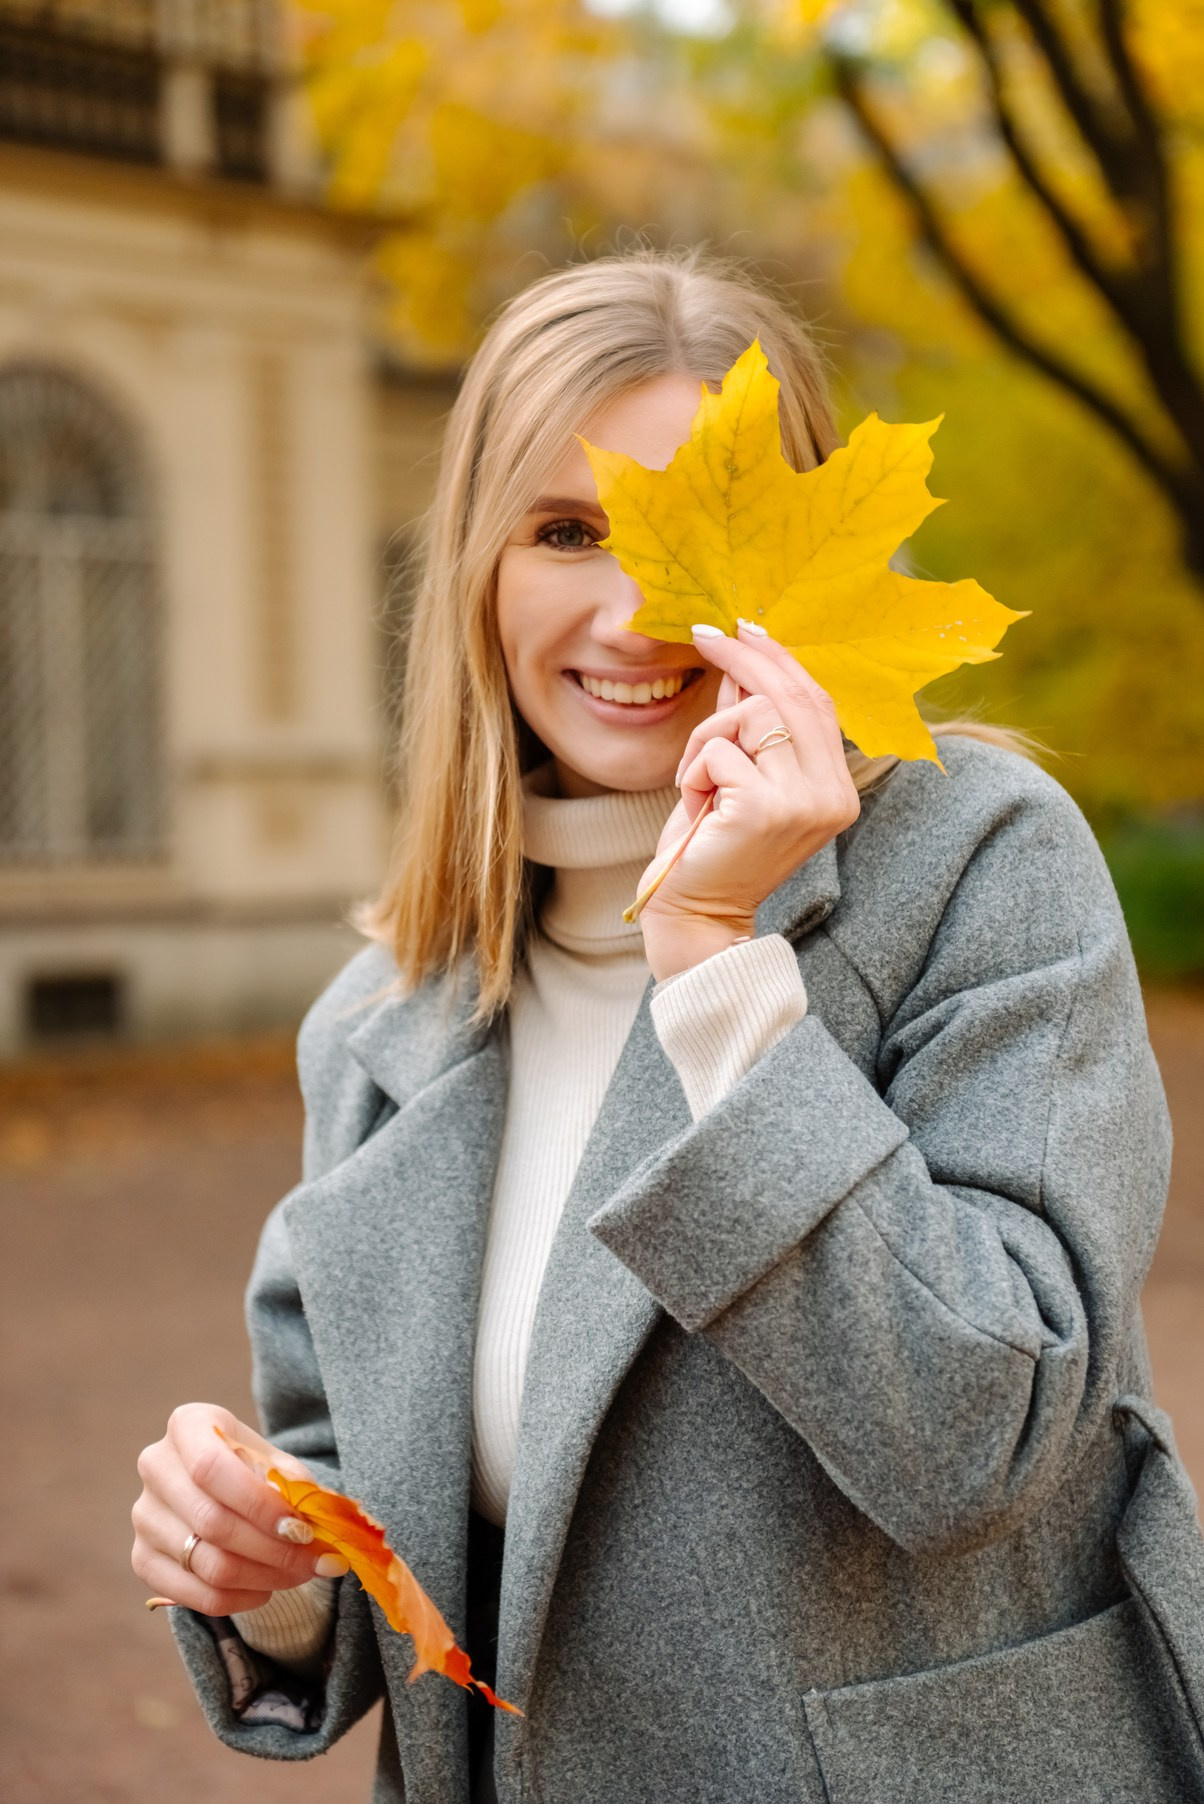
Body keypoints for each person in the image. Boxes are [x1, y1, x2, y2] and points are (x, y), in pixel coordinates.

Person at [132, 249, 1202, 1804]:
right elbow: (389, 1532)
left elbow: (980, 1440)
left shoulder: (978, 862)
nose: (637, 612)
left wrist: (714, 970)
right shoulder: (385, 1016)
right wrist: (279, 1574)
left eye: (695, 543)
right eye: (567, 531)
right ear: (481, 568)